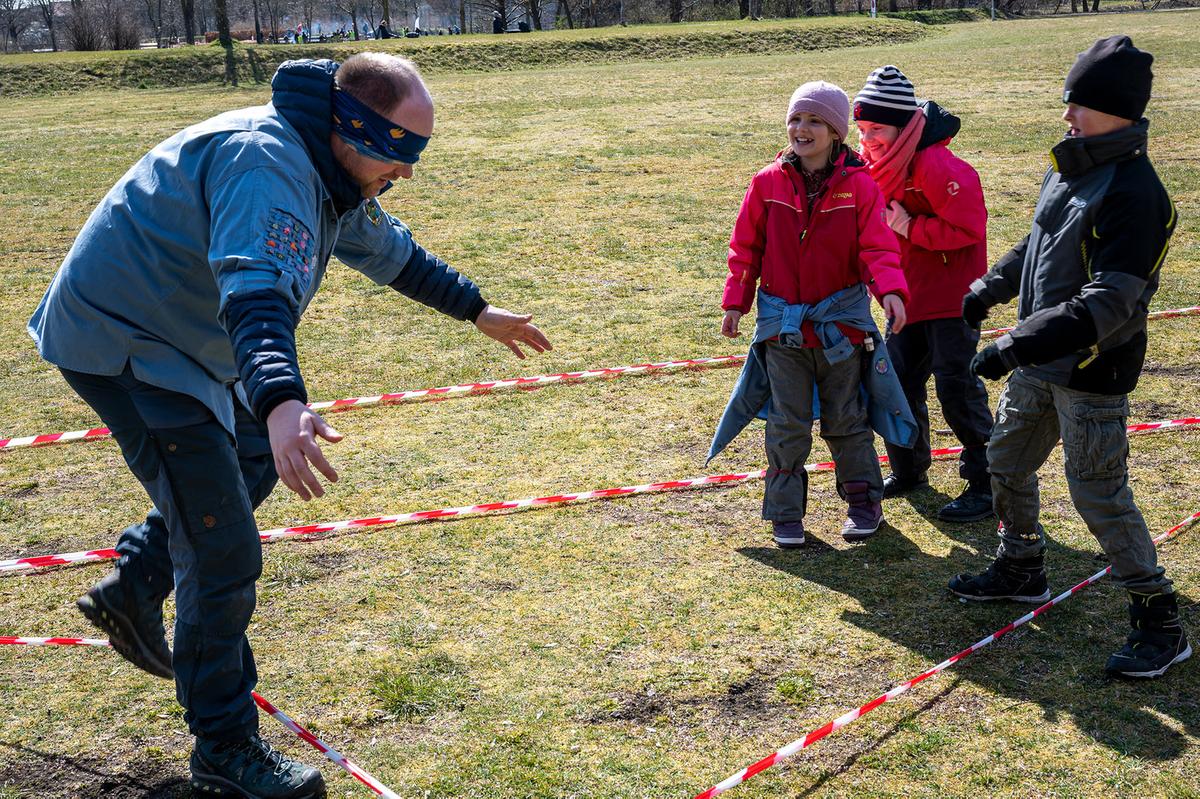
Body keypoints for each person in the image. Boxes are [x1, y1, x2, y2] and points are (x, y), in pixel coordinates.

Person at [27, 53, 552, 796]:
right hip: (129, 340)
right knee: (222, 551)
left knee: (252, 459)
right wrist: (279, 403)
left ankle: (135, 583)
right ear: (354, 125)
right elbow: (255, 296)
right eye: (400, 151)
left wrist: (477, 309)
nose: (406, 172)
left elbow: (390, 250)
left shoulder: (329, 172)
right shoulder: (267, 165)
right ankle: (225, 751)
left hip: (185, 342)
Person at [950, 36, 1188, 678]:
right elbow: (1038, 241)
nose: (1066, 116)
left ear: (1118, 111)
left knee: (1098, 493)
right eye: (1067, 102)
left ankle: (1159, 618)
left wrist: (1011, 345)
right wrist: (988, 291)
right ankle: (1021, 566)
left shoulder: (1138, 195)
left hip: (1090, 370)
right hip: (1039, 362)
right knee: (1005, 461)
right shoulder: (1070, 166)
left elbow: (1108, 303)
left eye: (1078, 105)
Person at [708, 81, 916, 548]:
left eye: (815, 121)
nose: (802, 128)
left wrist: (890, 291)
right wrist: (736, 302)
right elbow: (746, 248)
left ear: (837, 132)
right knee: (787, 423)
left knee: (847, 419)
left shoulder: (860, 186)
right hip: (783, 332)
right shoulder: (766, 183)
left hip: (840, 330)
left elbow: (877, 248)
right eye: (796, 119)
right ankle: (785, 513)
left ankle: (864, 502)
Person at [853, 65, 995, 522]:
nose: (868, 138)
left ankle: (986, 483)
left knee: (957, 388)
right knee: (897, 384)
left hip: (953, 299)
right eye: (863, 128)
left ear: (905, 126)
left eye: (878, 128)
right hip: (907, 297)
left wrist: (910, 226)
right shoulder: (877, 165)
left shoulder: (937, 164)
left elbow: (969, 228)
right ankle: (910, 469)